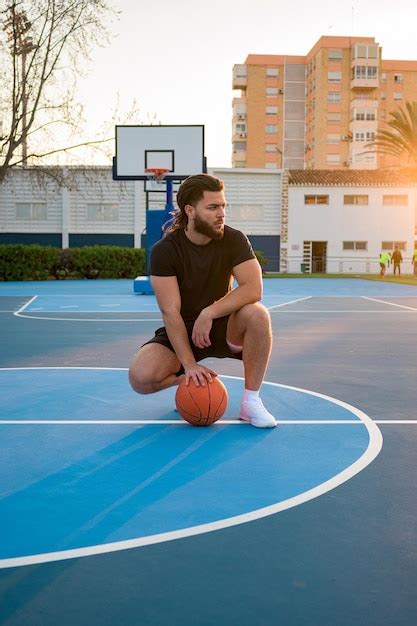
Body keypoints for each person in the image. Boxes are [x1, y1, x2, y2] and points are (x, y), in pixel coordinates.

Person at [129, 173, 276, 428]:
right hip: (182, 331)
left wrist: (209, 313)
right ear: (191, 211)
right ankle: (190, 380)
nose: (221, 214)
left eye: (223, 206)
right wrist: (188, 364)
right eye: (212, 207)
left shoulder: (234, 239)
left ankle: (250, 403)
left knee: (258, 314)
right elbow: (170, 312)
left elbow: (254, 289)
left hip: (222, 325)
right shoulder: (165, 251)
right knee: (141, 377)